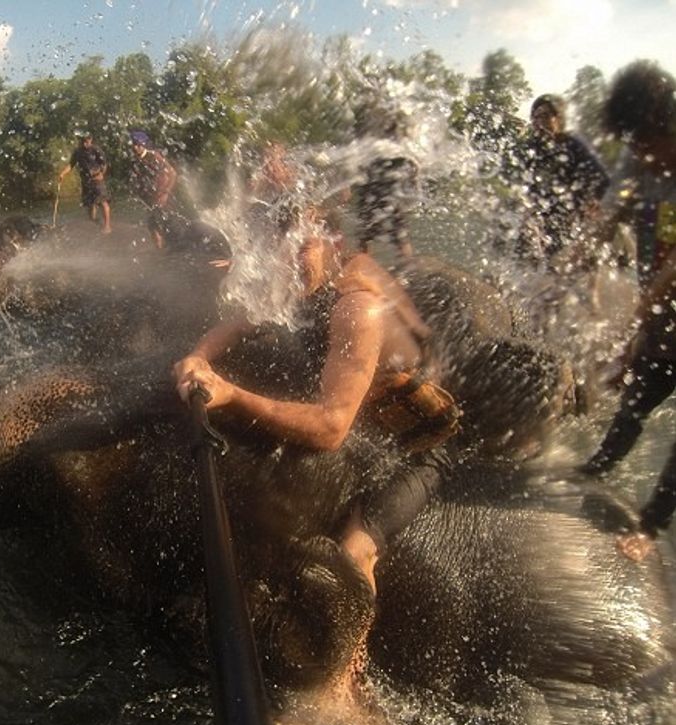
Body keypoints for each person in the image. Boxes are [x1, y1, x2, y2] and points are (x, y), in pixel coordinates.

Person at [172, 230, 460, 598]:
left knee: (354, 553)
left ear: (332, 244)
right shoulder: (301, 283)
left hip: (412, 444)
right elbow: (237, 325)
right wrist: (199, 356)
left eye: (303, 247)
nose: (290, 258)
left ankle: (355, 628)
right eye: (284, 246)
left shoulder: (358, 307)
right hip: (360, 419)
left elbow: (331, 428)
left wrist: (231, 395)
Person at [579, 61, 676, 562]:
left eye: (644, 142)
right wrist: (571, 259)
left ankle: (652, 527)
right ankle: (594, 469)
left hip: (663, 297)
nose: (638, 154)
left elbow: (670, 275)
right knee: (636, 400)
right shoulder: (642, 165)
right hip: (665, 318)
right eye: (631, 143)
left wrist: (632, 328)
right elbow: (609, 215)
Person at [514, 94, 610, 269]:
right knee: (521, 256)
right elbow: (524, 183)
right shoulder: (531, 148)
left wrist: (591, 201)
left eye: (545, 116)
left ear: (558, 118)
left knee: (560, 267)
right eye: (535, 117)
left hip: (569, 217)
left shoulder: (572, 144)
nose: (539, 122)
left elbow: (602, 178)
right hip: (540, 216)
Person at [128, 130, 178, 249]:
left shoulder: (154, 156)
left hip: (162, 196)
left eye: (138, 144)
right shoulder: (135, 160)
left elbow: (173, 173)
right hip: (150, 198)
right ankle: (160, 250)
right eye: (134, 144)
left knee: (168, 223)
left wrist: (166, 193)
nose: (135, 147)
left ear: (143, 145)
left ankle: (173, 248)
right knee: (152, 225)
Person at [58, 133, 112, 234]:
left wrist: (101, 174)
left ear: (91, 140)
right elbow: (71, 164)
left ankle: (107, 226)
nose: (84, 144)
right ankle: (93, 221)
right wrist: (63, 173)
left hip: (97, 179)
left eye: (87, 141)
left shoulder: (96, 150)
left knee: (103, 201)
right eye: (83, 141)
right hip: (86, 180)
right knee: (90, 203)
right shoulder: (78, 152)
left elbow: (104, 164)